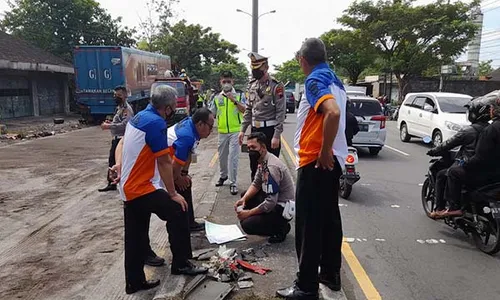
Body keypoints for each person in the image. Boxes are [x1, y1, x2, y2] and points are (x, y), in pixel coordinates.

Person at [111, 85, 207, 295]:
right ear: (168, 107)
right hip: (141, 187)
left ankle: (134, 282)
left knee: (135, 235)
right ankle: (181, 263)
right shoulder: (155, 122)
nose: (173, 109)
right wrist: (173, 194)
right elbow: (164, 162)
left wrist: (119, 166)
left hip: (129, 186)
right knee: (178, 209)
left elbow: (124, 143)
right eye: (172, 106)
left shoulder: (141, 116)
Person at [277, 38, 348, 300]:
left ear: (303, 60)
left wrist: (324, 149)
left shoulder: (314, 80)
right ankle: (330, 273)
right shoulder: (336, 80)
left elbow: (333, 113)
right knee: (329, 221)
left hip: (315, 162)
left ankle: (306, 286)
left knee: (308, 225)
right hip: (334, 161)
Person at [427, 99, 490, 218]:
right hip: (489, 172)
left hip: (472, 168)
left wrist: (434, 151)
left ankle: (445, 208)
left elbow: (449, 143)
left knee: (442, 174)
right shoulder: (491, 129)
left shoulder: (469, 131)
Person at [441, 90, 500, 217]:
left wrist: (465, 164)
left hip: (487, 174)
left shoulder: (491, 130)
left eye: (492, 108)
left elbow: (480, 157)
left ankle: (454, 207)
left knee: (453, 172)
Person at [234, 132, 294, 243]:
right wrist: (243, 199)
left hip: (281, 208)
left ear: (263, 147)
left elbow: (271, 202)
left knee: (247, 225)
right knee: (245, 196)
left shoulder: (271, 167)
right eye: (249, 148)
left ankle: (281, 229)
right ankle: (266, 220)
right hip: (274, 200)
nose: (251, 151)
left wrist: (249, 213)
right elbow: (256, 184)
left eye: (253, 147)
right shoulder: (263, 161)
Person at [239, 52, 286, 181]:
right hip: (255, 131)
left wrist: (276, 136)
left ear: (266, 67)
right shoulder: (252, 85)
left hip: (270, 132)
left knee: (271, 167)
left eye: (258, 68)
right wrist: (242, 130)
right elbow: (248, 109)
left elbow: (280, 112)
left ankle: (271, 197)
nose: (255, 71)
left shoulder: (276, 86)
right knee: (254, 166)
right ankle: (255, 196)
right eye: (253, 68)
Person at [210, 71, 246, 195]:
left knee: (233, 157)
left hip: (236, 131)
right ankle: (223, 175)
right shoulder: (216, 96)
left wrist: (234, 100)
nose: (226, 84)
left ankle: (233, 182)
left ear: (232, 82)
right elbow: (212, 113)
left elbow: (245, 110)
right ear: (220, 82)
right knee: (222, 156)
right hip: (222, 131)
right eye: (224, 81)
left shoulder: (240, 95)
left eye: (228, 81)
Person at [98, 86, 134, 192]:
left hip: (121, 139)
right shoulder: (119, 108)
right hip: (116, 138)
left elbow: (125, 124)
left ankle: (117, 182)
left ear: (125, 95)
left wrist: (109, 126)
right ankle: (112, 182)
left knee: (117, 161)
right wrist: (111, 123)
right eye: (115, 95)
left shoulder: (127, 109)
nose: (116, 97)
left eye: (119, 95)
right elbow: (118, 121)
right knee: (112, 161)